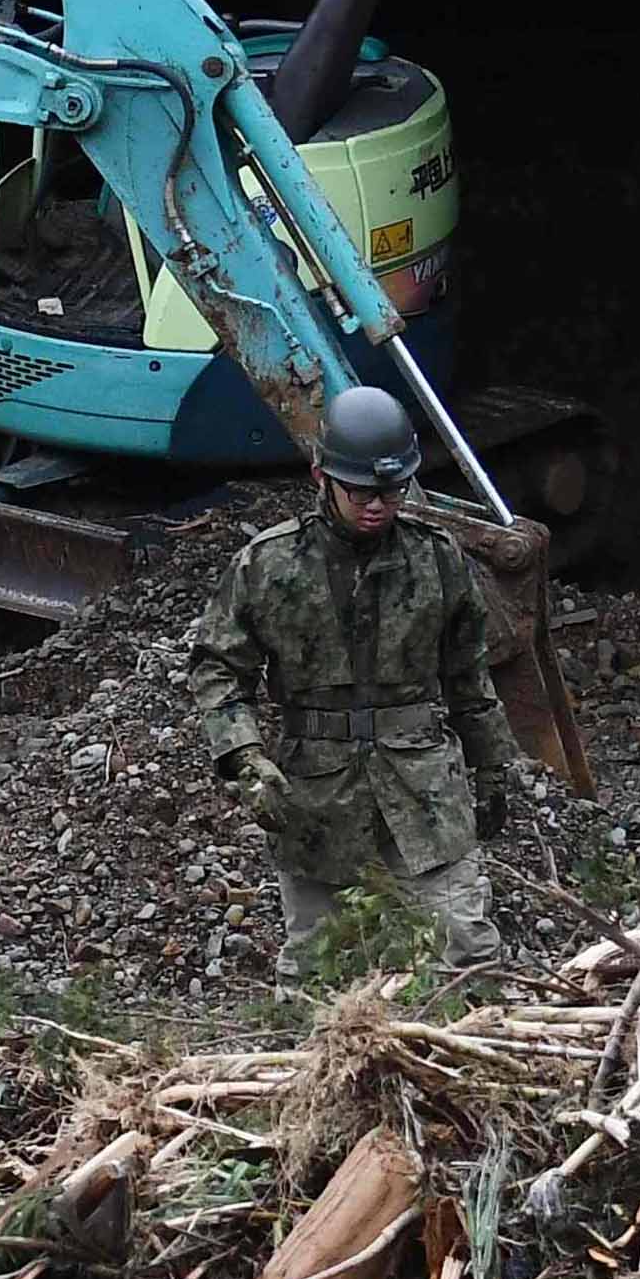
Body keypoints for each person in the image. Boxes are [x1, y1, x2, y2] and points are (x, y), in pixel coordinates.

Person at [184, 383, 522, 969]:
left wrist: (492, 767)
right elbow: (218, 667)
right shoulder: (268, 565)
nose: (378, 504)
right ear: (322, 478)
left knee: (463, 951)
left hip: (423, 789)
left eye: (392, 490)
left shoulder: (436, 559)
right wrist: (246, 759)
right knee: (321, 967)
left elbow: (469, 676)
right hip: (315, 796)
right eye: (362, 490)